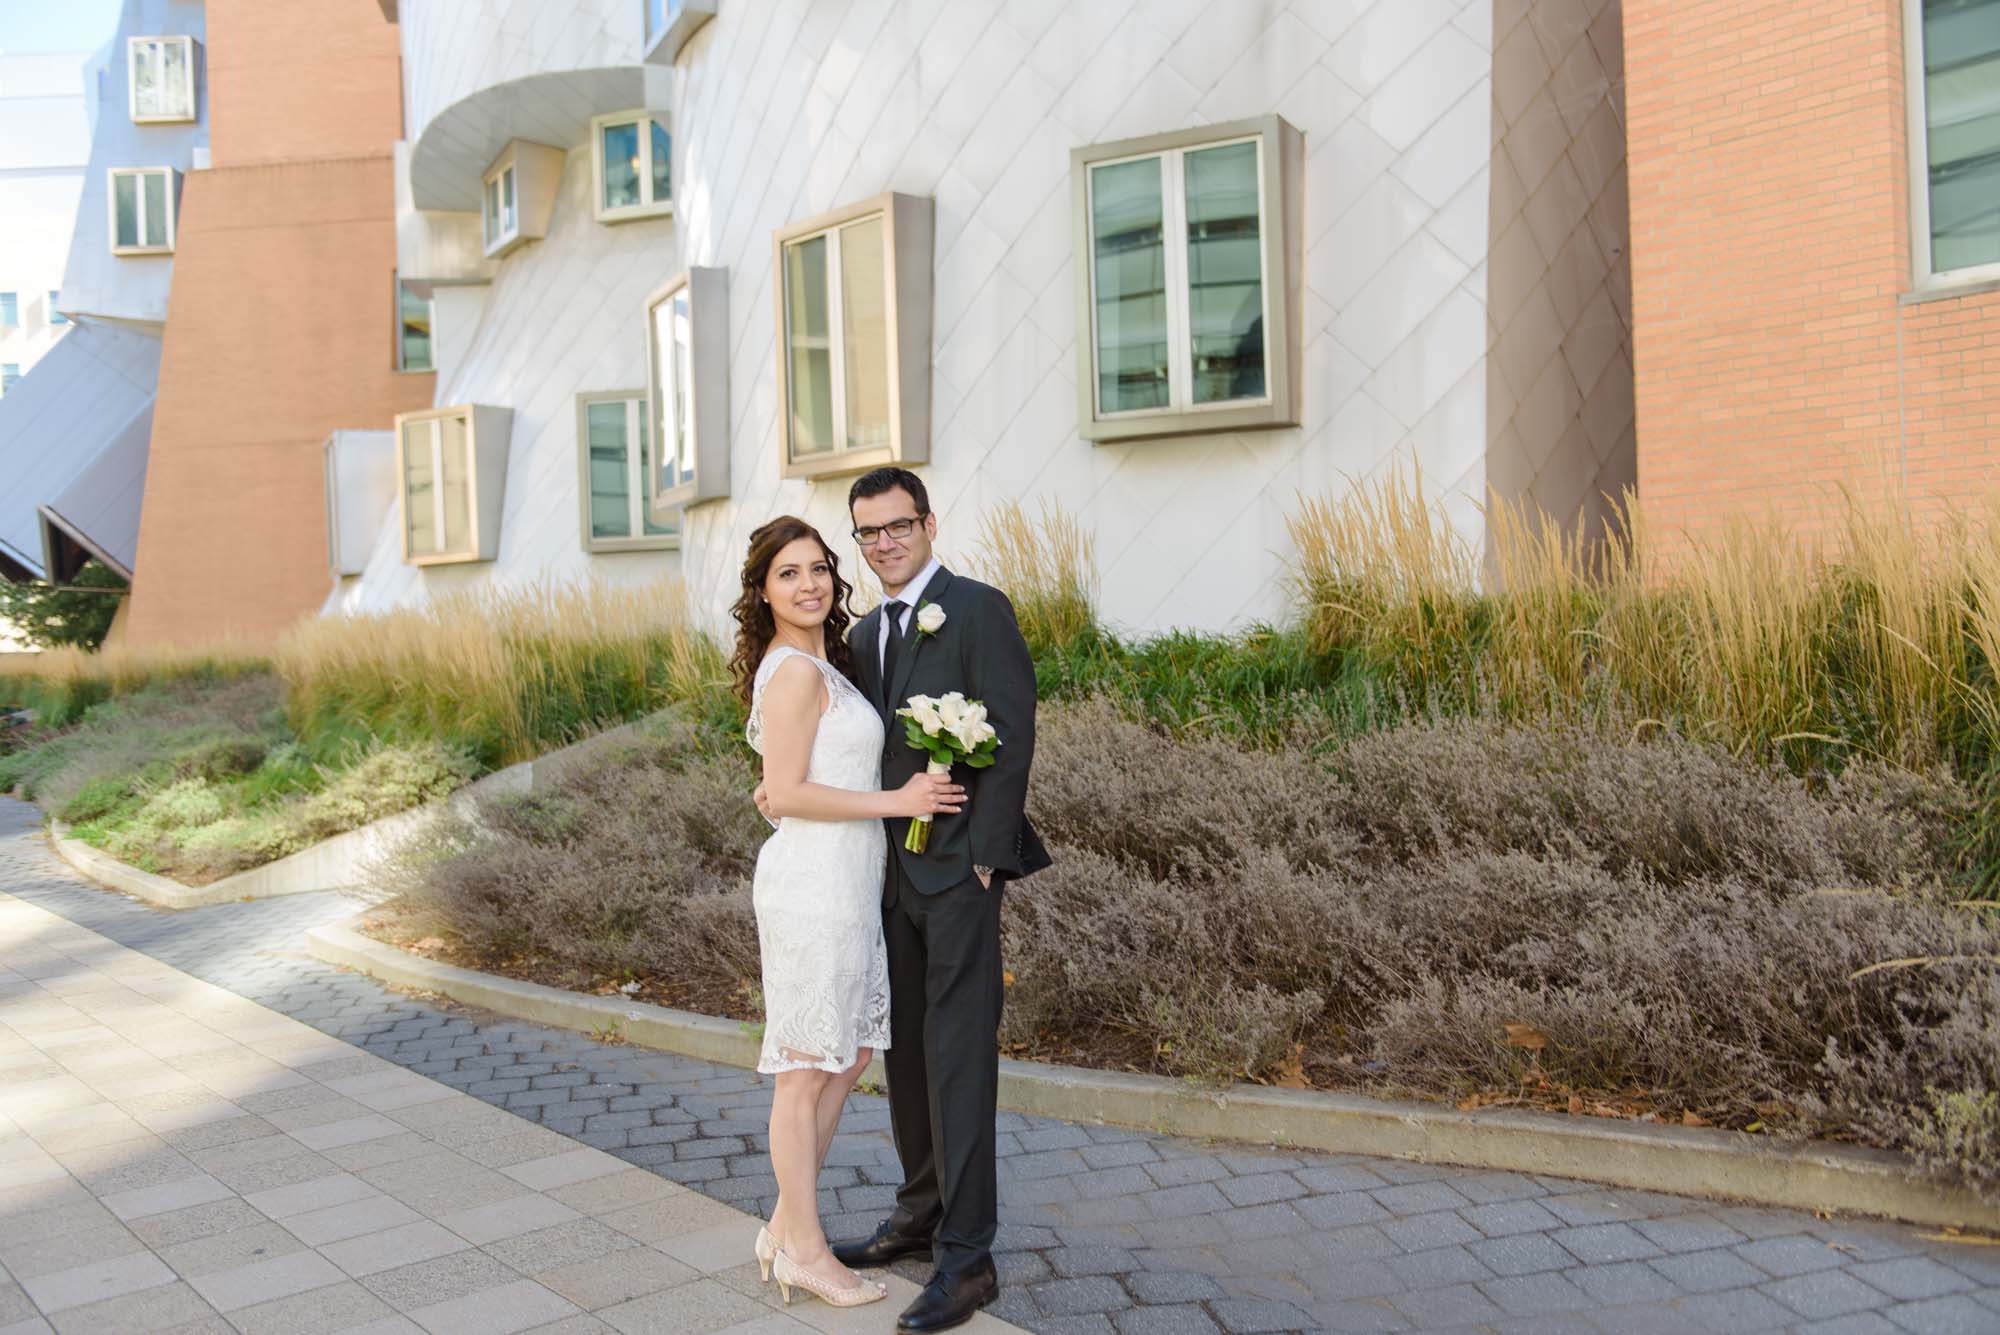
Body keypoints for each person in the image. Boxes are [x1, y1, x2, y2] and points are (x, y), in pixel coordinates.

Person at [764, 468, 1051, 1333]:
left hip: (958, 877)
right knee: (908, 1060)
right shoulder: (858, 633)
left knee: (960, 1062)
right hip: (879, 879)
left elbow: (1012, 730)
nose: (885, 541)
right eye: (869, 531)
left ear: (928, 522)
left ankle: (968, 1259)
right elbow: (837, 750)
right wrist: (777, 789)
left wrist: (987, 863)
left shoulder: (975, 608)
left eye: (899, 525)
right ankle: (919, 1212)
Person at [733, 515, 966, 1311]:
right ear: (763, 592)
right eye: (788, 573)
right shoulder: (795, 671)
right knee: (804, 1069)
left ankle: (782, 1225)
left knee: (848, 1057)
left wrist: (791, 792)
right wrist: (896, 800)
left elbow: (784, 783)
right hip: (811, 888)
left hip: (844, 882)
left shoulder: (820, 661)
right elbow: (792, 791)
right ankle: (806, 1246)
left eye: (818, 568)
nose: (809, 584)